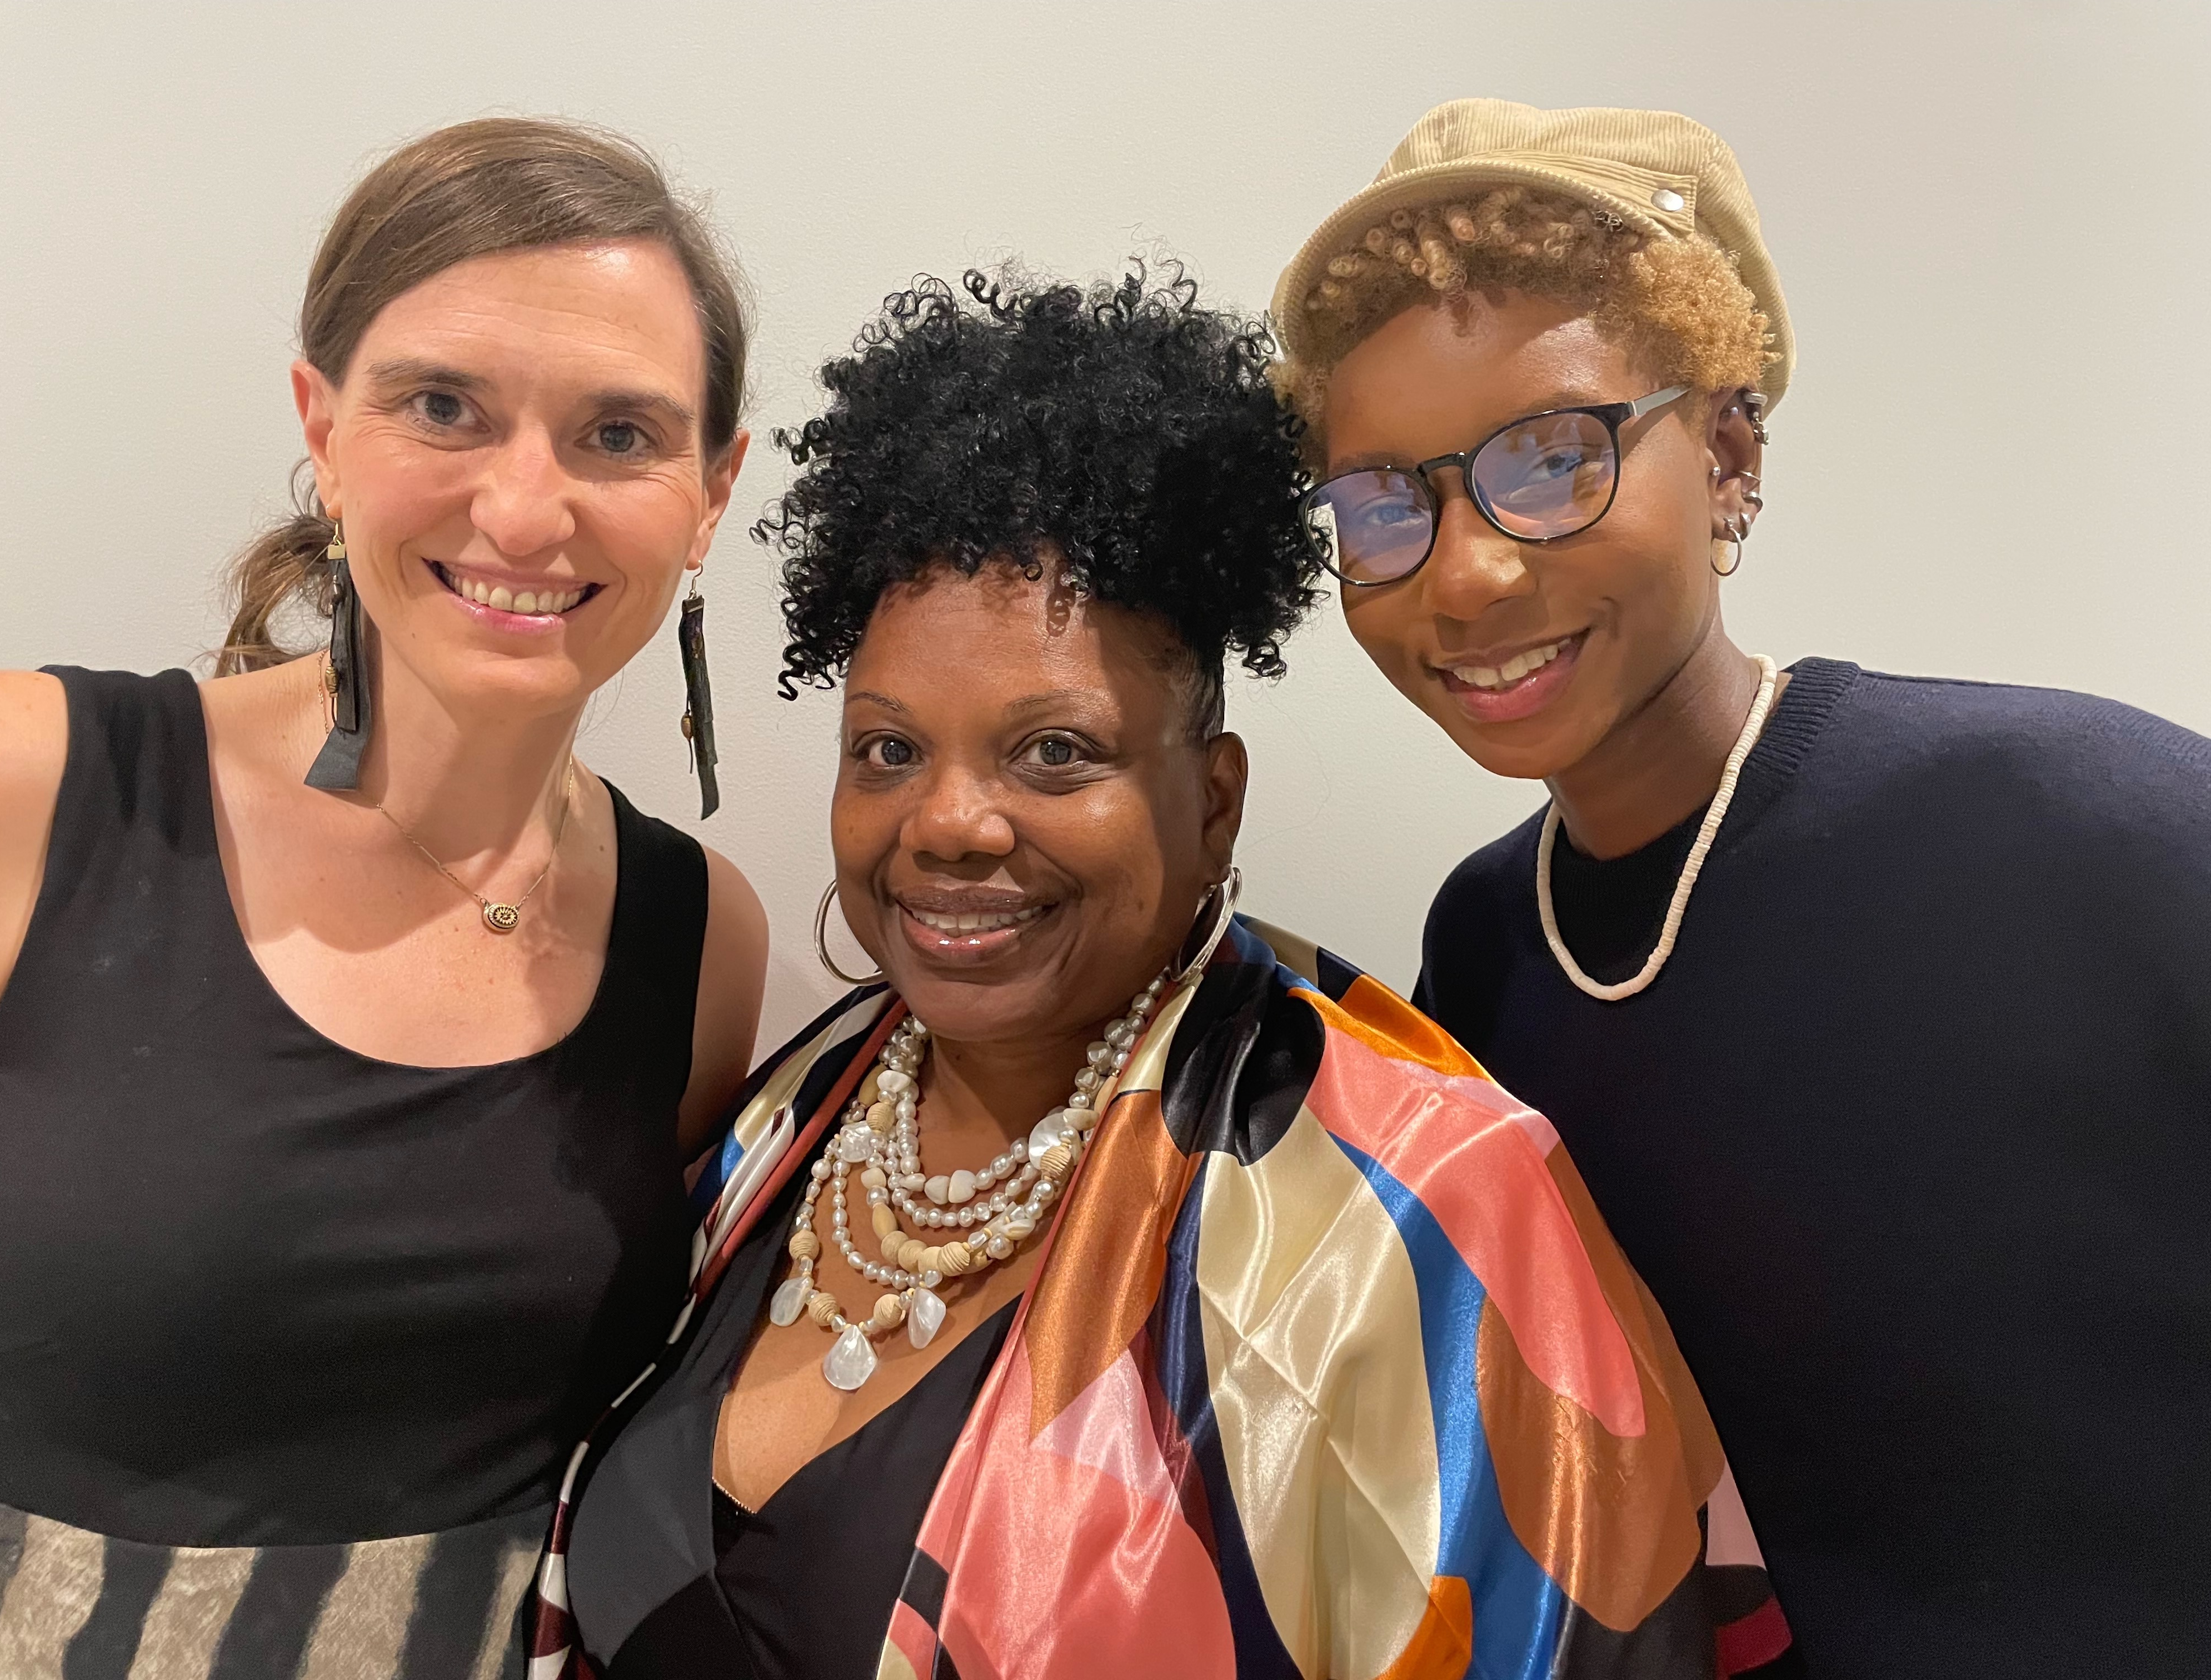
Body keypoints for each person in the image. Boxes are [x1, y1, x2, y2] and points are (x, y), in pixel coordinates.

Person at [535, 267, 1794, 1679]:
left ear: (1213, 804)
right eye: (889, 749)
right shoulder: (796, 1119)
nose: (948, 823)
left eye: (1054, 751)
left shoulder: (1417, 1212)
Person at [1269, 98, 2211, 1680]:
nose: (1469, 570)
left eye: (1552, 459)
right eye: (1387, 501)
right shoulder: (1482, 954)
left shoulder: (2084, 825)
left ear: (1725, 451)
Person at [0, 119, 767, 1676]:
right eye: (444, 408)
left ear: (714, 489)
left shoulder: (700, 940)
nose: (527, 512)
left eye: (621, 434)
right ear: (323, 430)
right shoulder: (23, 791)